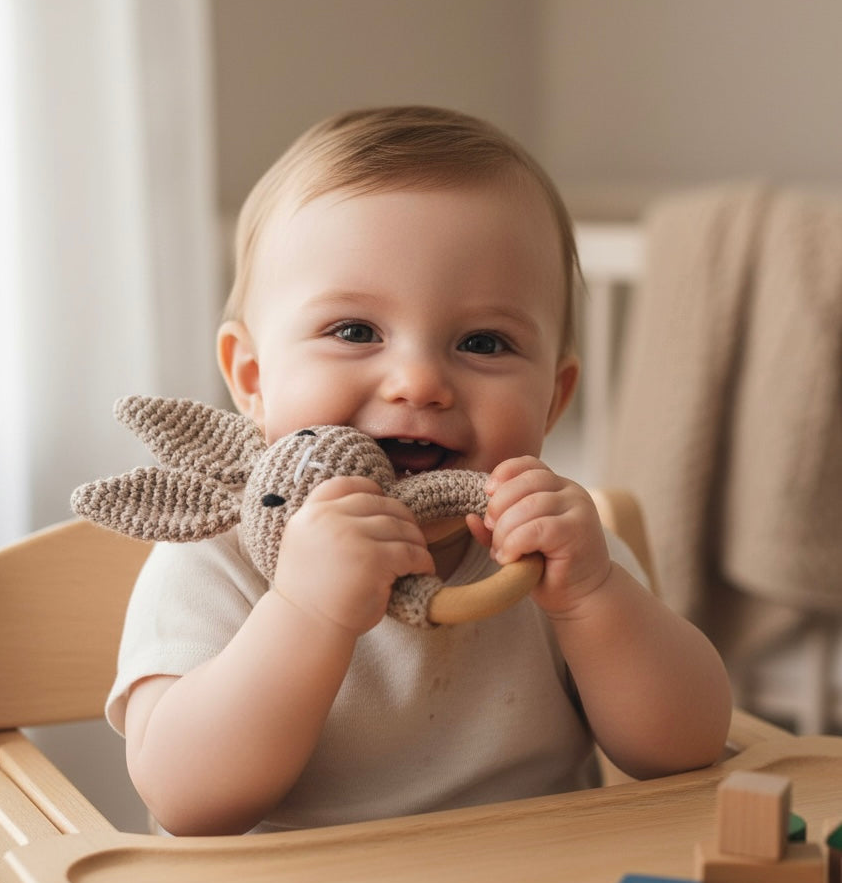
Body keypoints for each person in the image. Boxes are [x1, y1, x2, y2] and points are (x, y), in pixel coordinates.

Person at [108, 106, 732, 837]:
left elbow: (684, 751)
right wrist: (308, 611)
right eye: (354, 331)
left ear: (553, 398)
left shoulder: (550, 554)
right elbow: (189, 799)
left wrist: (593, 598)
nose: (418, 381)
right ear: (251, 377)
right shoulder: (214, 554)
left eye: (483, 342)